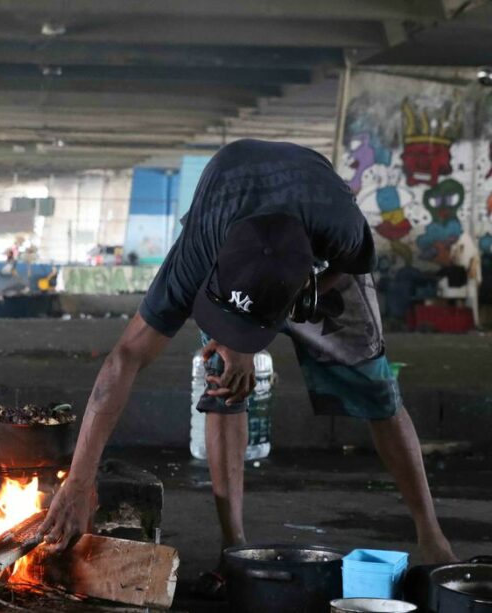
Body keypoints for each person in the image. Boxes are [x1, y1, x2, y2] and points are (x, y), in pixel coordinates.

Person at [38, 140, 457, 580]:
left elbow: (351, 264)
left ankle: (432, 535)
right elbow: (125, 357)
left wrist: (293, 305)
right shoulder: (197, 254)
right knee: (223, 378)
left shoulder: (341, 227)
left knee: (375, 388)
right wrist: (79, 481)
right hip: (233, 210)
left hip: (314, 248)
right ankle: (234, 547)